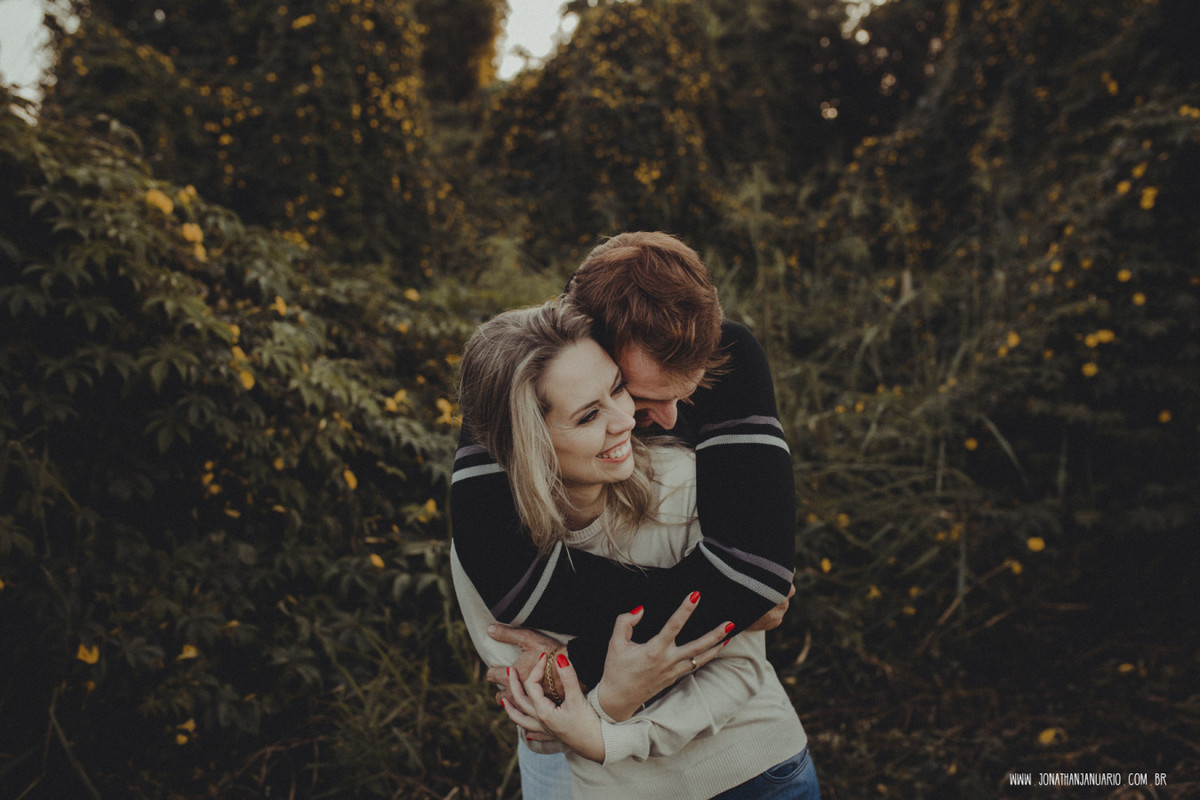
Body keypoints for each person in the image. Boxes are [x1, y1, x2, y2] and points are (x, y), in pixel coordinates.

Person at [450, 300, 817, 798]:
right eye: (587, 416)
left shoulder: (685, 487)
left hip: (749, 770)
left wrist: (600, 718)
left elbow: (740, 668)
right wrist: (609, 702)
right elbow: (536, 723)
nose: (627, 419)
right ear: (530, 444)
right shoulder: (492, 546)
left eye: (618, 387)